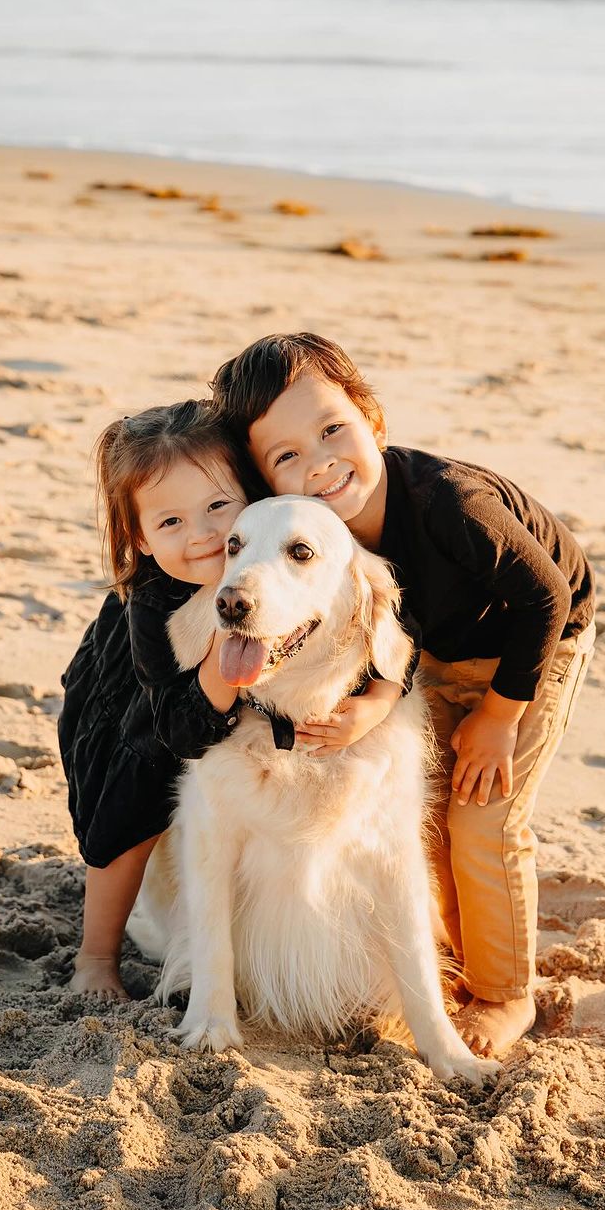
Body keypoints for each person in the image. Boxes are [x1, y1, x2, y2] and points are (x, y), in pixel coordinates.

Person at [209, 333, 596, 1060]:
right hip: (440, 644)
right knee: (430, 813)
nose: (319, 461)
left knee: (483, 813)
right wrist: (381, 700)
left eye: (333, 430)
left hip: (535, 642)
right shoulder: (319, 534)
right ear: (265, 480)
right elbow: (397, 621)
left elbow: (545, 596)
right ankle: (448, 959)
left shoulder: (455, 505)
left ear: (374, 423)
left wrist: (499, 717)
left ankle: (507, 993)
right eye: (286, 456)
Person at [59, 397, 412, 999]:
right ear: (139, 540)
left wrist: (379, 698)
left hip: (231, 651)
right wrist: (229, 660)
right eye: (169, 523)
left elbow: (399, 631)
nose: (201, 537)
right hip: (139, 705)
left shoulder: (273, 557)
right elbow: (180, 727)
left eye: (219, 508)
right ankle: (96, 955)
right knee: (130, 809)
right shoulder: (150, 604)